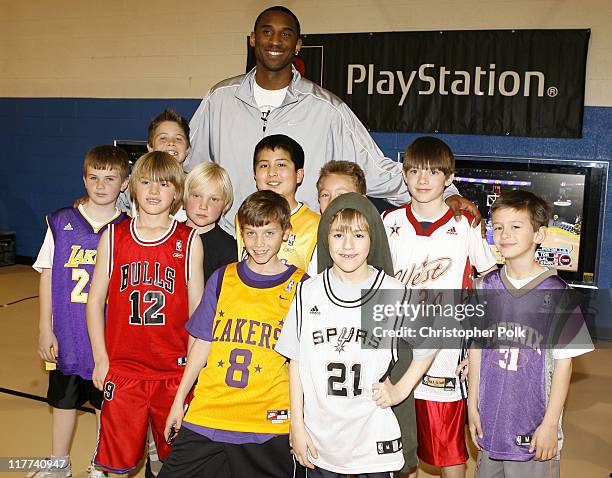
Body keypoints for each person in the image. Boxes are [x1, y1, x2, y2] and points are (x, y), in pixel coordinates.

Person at [185, 5, 477, 236]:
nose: (275, 41)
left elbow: (375, 170)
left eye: (285, 34)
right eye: (266, 32)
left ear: (297, 45)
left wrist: (446, 193)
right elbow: (186, 166)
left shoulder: (326, 109)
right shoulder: (220, 100)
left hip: (300, 247)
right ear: (253, 39)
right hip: (232, 242)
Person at [276, 192, 437, 477]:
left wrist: (400, 389)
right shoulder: (308, 291)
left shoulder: (390, 292)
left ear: (373, 238)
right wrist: (296, 424)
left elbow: (432, 339)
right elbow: (297, 362)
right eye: (338, 235)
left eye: (359, 236)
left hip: (372, 438)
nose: (348, 245)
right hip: (320, 437)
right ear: (326, 238)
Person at [158, 190, 307, 478]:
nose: (259, 243)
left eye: (269, 233)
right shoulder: (222, 278)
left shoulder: (302, 286)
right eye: (251, 233)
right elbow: (202, 344)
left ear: (286, 233)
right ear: (241, 233)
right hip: (209, 411)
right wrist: (179, 401)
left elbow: (303, 363)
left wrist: (299, 422)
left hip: (267, 420)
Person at [382, 137, 497, 478]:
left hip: (446, 351)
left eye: (433, 172)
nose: (422, 180)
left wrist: (479, 346)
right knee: (398, 448)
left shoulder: (465, 223)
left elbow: (488, 282)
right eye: (414, 170)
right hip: (397, 346)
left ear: (449, 178)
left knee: (448, 450)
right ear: (403, 175)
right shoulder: (388, 222)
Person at [86, 151, 204, 477]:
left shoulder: (189, 240)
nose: (154, 191)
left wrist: (191, 374)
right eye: (146, 182)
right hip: (124, 372)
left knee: (178, 462)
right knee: (118, 465)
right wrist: (101, 358)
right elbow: (95, 301)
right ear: (133, 188)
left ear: (177, 192)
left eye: (164, 184)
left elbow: (197, 316)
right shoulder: (113, 236)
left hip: (173, 373)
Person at [468, 190, 593, 478]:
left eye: (515, 227)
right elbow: (476, 346)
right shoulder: (484, 287)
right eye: (498, 227)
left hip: (533, 429)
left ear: (539, 235)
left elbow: (564, 363)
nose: (504, 234)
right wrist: (472, 407)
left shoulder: (559, 293)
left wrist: (550, 424)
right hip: (491, 424)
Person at [30, 145, 129, 478]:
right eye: (94, 177)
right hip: (67, 333)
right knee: (62, 401)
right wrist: (45, 327)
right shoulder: (61, 221)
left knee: (106, 405)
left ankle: (100, 463)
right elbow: (47, 273)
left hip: (108, 339)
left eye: (110, 178)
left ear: (124, 183)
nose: (101, 185)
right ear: (84, 178)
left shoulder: (129, 228)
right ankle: (59, 464)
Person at [236, 134, 319, 271]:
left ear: (298, 175)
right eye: (264, 165)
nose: (272, 172)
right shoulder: (244, 216)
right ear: (255, 174)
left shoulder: (316, 225)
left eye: (281, 165)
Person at [115, 108, 191, 220]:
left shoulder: (196, 185)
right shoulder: (131, 184)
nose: (171, 143)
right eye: (163, 138)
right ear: (150, 147)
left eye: (178, 138)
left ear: (187, 149)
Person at [307, 160, 367, 276]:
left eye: (341, 195)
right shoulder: (314, 236)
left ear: (362, 200)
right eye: (325, 195)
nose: (332, 202)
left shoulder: (373, 235)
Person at [184, 162, 237, 281]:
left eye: (214, 199)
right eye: (197, 196)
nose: (204, 205)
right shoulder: (169, 235)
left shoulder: (229, 248)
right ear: (185, 197)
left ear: (225, 204)